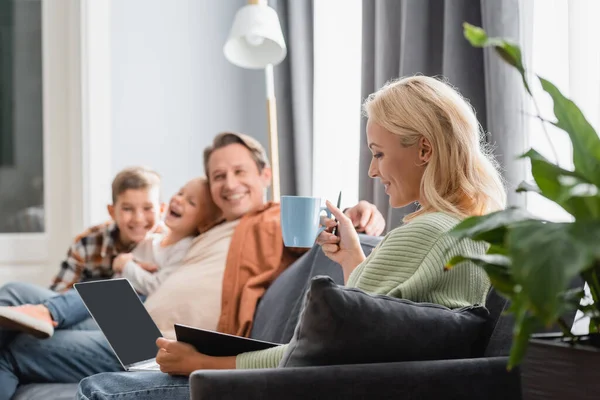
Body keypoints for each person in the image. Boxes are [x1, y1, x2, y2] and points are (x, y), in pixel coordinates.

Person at [77, 75, 507, 399]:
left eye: (378, 153)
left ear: (425, 151)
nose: (373, 171)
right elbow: (382, 331)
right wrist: (353, 261)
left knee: (99, 387)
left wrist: (202, 362)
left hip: (290, 387)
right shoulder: (470, 232)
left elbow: (307, 356)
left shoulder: (423, 233)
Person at [0, 132, 384, 399]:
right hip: (134, 317)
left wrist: (362, 213)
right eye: (218, 176)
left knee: (11, 348)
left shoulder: (275, 219)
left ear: (265, 175)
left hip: (155, 339)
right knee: (13, 294)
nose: (229, 183)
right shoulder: (214, 225)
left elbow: (326, 227)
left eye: (239, 172)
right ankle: (43, 312)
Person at [0, 177, 221, 338]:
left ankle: (47, 312)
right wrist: (128, 264)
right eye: (181, 192)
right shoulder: (152, 240)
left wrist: (127, 266)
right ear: (112, 211)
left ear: (159, 209)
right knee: (12, 292)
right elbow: (60, 290)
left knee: (101, 289)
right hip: (101, 302)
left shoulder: (183, 248)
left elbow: (157, 285)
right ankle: (43, 313)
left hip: (131, 307)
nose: (138, 218)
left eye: (147, 208)